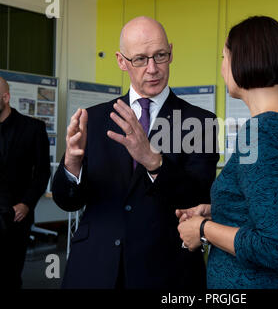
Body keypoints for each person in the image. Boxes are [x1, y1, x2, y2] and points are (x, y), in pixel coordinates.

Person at [52, 16, 219, 289]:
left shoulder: (200, 122)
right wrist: (71, 164)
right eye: (140, 59)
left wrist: (155, 162)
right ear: (121, 61)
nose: (152, 68)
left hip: (166, 271)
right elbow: (67, 201)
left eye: (160, 56)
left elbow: (199, 196)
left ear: (171, 53)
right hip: (94, 268)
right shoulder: (93, 119)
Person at [177, 16, 278, 289]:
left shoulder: (258, 134)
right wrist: (220, 210)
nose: (222, 68)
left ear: (242, 60)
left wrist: (202, 229)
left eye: (224, 57)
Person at [0, 76, 50, 288]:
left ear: (6, 97)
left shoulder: (33, 128)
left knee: (10, 276)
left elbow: (42, 172)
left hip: (16, 216)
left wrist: (26, 204)